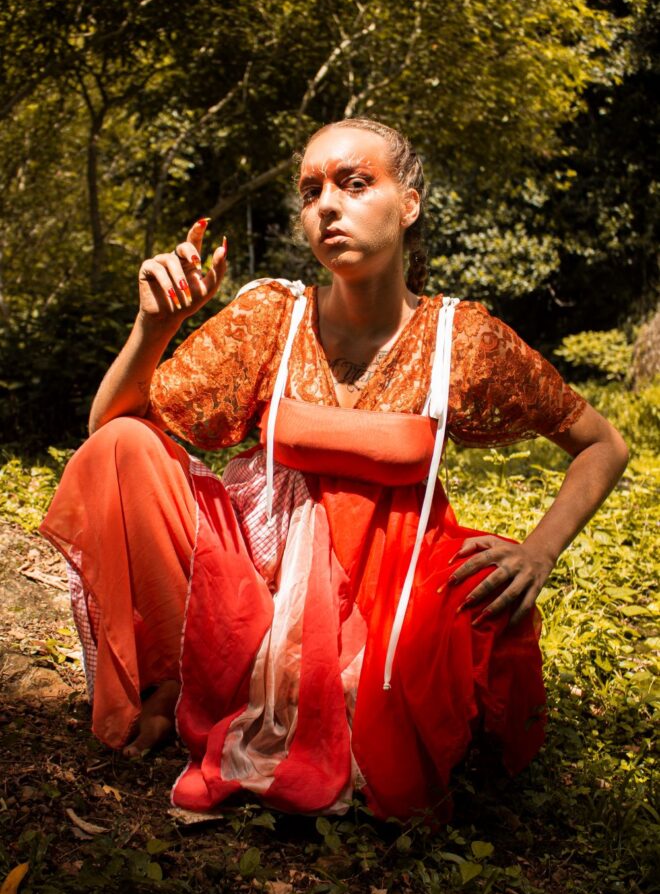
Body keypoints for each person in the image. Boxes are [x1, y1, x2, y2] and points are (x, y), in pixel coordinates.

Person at [40, 119, 628, 822]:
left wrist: (539, 551)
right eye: (310, 190)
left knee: (418, 704)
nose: (326, 205)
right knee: (122, 447)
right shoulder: (271, 317)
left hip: (386, 598)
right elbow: (108, 427)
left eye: (354, 183)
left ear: (408, 204)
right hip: (254, 583)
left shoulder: (461, 339)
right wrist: (155, 324)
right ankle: (181, 679)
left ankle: (302, 699)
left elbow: (603, 445)